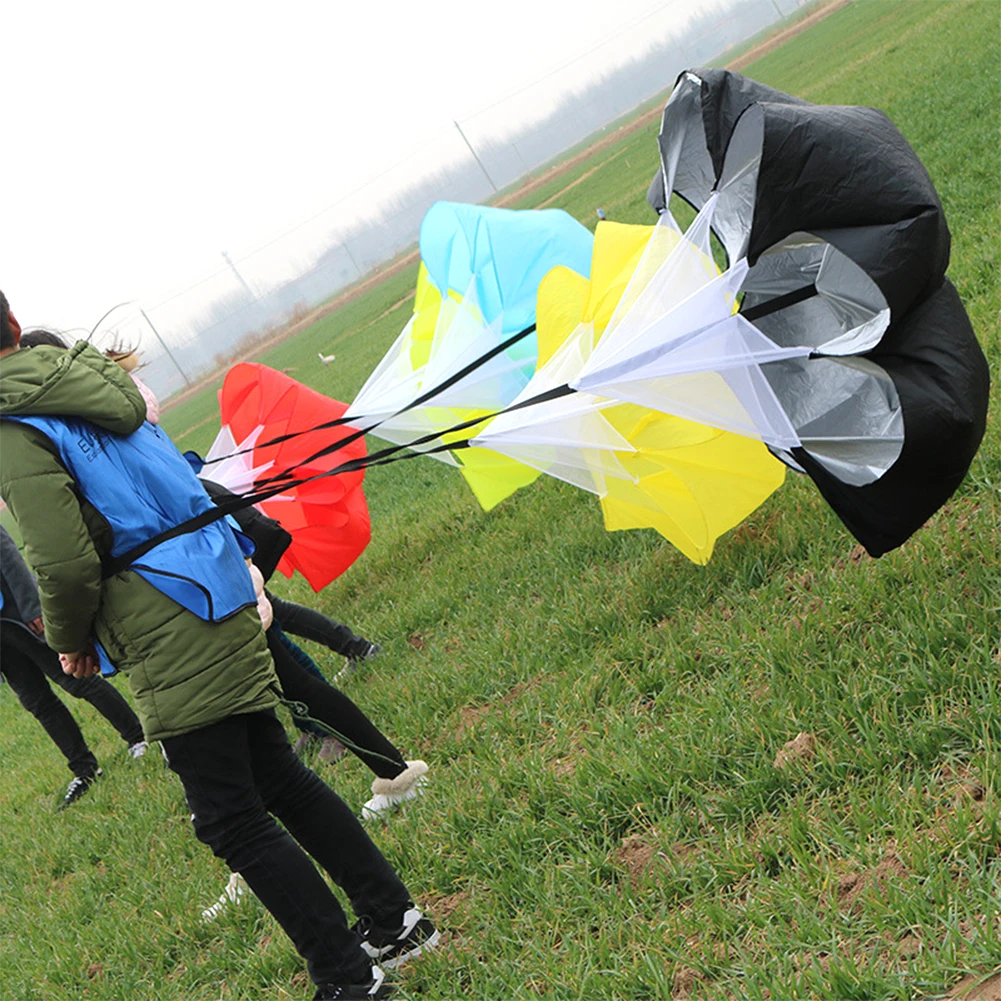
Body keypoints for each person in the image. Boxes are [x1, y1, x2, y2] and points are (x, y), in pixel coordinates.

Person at [0, 292, 437, 1000]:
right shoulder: (88, 379)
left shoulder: (15, 425)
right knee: (277, 776)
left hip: (164, 614)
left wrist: (70, 640)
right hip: (215, 578)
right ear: (16, 325)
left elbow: (62, 561)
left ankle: (347, 977)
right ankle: (395, 921)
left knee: (229, 818)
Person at [1, 525, 148, 808]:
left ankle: (137, 737)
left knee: (76, 679)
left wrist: (32, 607)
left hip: (19, 616)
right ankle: (84, 770)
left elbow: (7, 554)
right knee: (37, 702)